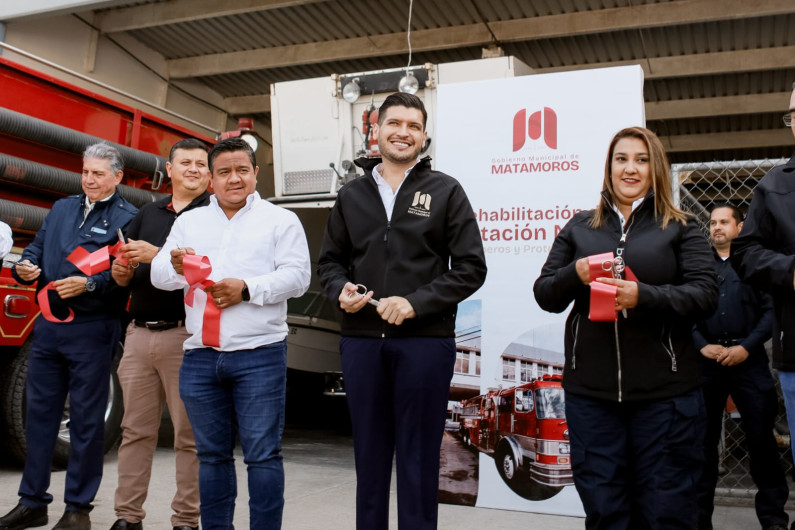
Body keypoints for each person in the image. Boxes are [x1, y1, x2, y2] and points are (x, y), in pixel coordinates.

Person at [317, 92, 487, 530]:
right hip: (361, 342)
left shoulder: (446, 190)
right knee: (369, 460)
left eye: (413, 126)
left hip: (425, 344)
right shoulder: (351, 195)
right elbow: (330, 263)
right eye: (394, 123)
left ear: (424, 136)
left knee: (419, 460)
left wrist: (415, 303)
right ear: (376, 130)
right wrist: (340, 290)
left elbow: (471, 268)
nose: (403, 133)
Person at [533, 127, 718, 529]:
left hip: (666, 400)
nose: (630, 168)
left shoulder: (681, 226)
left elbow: (705, 295)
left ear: (656, 169)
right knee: (606, 512)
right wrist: (575, 273)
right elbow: (545, 293)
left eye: (641, 159)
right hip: (592, 399)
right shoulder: (580, 226)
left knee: (666, 512)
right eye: (621, 159)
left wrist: (644, 296)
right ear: (609, 167)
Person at [150, 137, 310, 530]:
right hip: (201, 356)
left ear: (255, 173)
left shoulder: (280, 220)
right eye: (223, 172)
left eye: (241, 170)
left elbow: (298, 277)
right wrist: (174, 266)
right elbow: (158, 275)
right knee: (211, 456)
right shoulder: (189, 222)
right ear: (211, 179)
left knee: (262, 456)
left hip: (259, 354)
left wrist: (248, 289)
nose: (233, 179)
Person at [1, 143, 137, 530]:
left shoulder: (129, 218)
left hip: (93, 329)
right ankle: (32, 503)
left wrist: (89, 284)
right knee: (38, 418)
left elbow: (124, 274)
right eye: (85, 172)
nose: (89, 179)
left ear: (117, 177)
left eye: (98, 174)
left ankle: (78, 509)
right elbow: (36, 250)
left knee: (86, 423)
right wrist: (25, 268)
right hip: (48, 328)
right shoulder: (62, 208)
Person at [108, 139, 212, 530]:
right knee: (134, 432)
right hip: (138, 337)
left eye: (201, 163)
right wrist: (121, 272)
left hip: (187, 338)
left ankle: (186, 520)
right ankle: (127, 516)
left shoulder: (215, 216)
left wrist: (159, 256)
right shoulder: (147, 213)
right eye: (185, 162)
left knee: (189, 436)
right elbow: (125, 270)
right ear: (169, 169)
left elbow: (212, 271)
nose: (193, 169)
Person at [693, 204, 788, 530]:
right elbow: (685, 309)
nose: (717, 227)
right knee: (702, 446)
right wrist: (702, 345)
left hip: (749, 361)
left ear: (740, 226)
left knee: (762, 442)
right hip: (707, 362)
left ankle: (774, 520)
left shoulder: (754, 263)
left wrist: (746, 347)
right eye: (712, 223)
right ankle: (698, 521)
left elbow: (771, 312)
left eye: (724, 222)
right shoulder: (698, 265)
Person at [731, 82, 795, 449]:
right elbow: (746, 252)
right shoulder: (775, 185)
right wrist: (790, 272)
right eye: (793, 114)